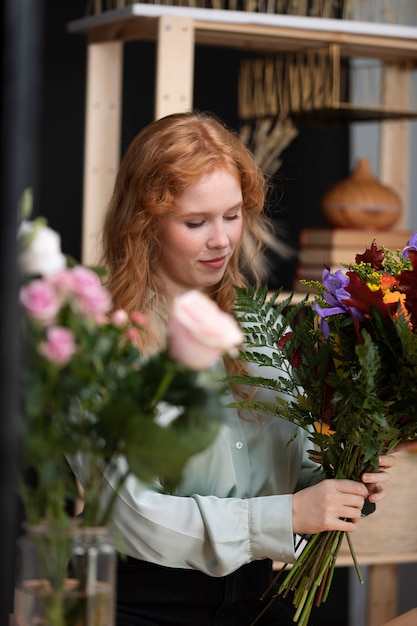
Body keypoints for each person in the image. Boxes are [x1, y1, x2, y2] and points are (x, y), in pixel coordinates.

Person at [87, 111, 398, 625]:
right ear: (142, 223)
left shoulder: (258, 326)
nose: (222, 240)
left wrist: (342, 480)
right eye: (196, 222)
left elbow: (284, 472)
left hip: (256, 601)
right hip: (144, 608)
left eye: (232, 215)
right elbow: (130, 515)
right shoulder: (103, 341)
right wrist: (288, 515)